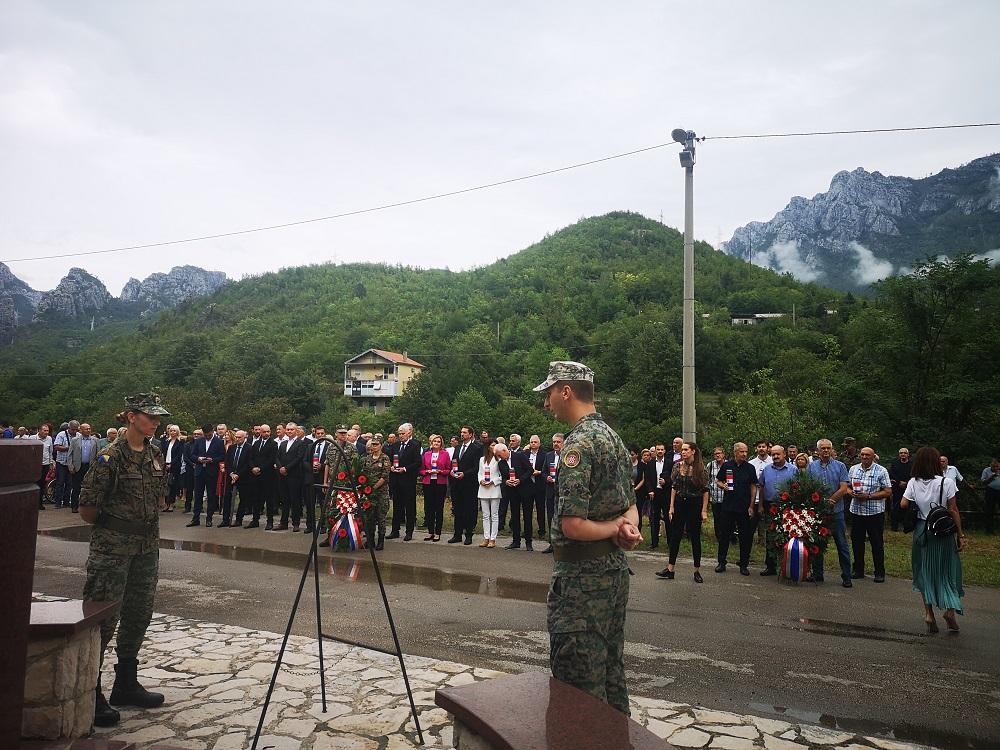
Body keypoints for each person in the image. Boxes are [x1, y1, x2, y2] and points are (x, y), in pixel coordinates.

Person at [535, 360, 640, 715]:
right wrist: (626, 527)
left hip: (582, 583)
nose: (547, 403)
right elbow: (632, 507)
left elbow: (573, 526)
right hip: (613, 576)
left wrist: (613, 529)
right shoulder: (614, 438)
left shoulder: (577, 446)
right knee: (611, 672)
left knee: (578, 684)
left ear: (566, 391)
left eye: (549, 393)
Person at [79, 392, 171, 728]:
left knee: (138, 613)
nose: (156, 422)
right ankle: (90, 690)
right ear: (131, 416)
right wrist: (120, 526)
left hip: (146, 546)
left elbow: (161, 498)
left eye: (158, 417)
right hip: (112, 549)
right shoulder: (109, 458)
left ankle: (125, 683)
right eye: (150, 416)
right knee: (103, 618)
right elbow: (88, 509)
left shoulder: (155, 453)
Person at [900, 446, 964, 633]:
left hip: (922, 529)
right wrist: (960, 535)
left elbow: (904, 503)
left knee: (923, 571)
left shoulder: (913, 481)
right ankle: (950, 611)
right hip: (942, 531)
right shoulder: (947, 482)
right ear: (937, 462)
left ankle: (929, 614)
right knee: (948, 570)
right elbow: (953, 509)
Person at [657, 441, 709, 582]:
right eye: (682, 450)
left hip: (695, 504)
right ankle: (670, 569)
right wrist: (671, 506)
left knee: (695, 537)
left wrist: (704, 511)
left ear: (693, 451)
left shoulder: (700, 469)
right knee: (675, 536)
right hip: (680, 503)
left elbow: (705, 491)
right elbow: (674, 487)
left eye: (686, 450)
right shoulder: (677, 466)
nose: (683, 452)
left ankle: (696, 570)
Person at [807, 438, 853, 587]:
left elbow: (844, 488)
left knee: (842, 544)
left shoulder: (840, 466)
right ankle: (818, 574)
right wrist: (820, 502)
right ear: (818, 451)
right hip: (819, 513)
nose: (826, 451)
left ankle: (846, 576)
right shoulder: (811, 467)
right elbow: (808, 487)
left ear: (832, 450)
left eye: (828, 448)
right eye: (823, 448)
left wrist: (831, 500)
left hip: (836, 512)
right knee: (817, 544)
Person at [847, 447, 892, 582]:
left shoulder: (881, 470)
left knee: (876, 543)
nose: (865, 457)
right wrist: (851, 493)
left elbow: (888, 491)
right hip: (856, 511)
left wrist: (869, 496)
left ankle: (879, 572)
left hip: (874, 513)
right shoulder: (853, 469)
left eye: (868, 455)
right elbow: (847, 486)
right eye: (862, 455)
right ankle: (858, 570)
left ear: (873, 457)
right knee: (857, 542)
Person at [714, 442, 758, 576]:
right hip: (728, 506)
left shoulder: (750, 467)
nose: (744, 454)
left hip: (744, 507)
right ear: (735, 452)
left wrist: (751, 506)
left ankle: (744, 564)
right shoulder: (727, 466)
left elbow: (753, 486)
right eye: (741, 452)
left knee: (745, 537)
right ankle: (721, 562)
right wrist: (723, 486)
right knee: (724, 535)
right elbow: (718, 480)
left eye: (746, 452)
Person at [757, 445, 797, 576]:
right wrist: (761, 505)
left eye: (777, 454)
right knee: (771, 536)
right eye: (773, 454)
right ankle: (770, 566)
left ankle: (786, 567)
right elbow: (761, 488)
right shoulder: (767, 469)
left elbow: (797, 489)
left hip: (787, 506)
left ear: (784, 454)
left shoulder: (793, 470)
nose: (775, 457)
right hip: (769, 506)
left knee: (787, 536)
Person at [450, 426, 483, 546]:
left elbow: (477, 466)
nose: (462, 434)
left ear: (471, 434)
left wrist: (465, 473)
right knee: (457, 509)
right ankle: (457, 534)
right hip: (457, 483)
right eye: (461, 432)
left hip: (469, 483)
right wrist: (452, 471)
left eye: (464, 432)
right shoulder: (458, 447)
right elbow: (454, 462)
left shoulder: (477, 448)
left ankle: (469, 534)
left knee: (469, 509)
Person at [388, 423, 421, 541]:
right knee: (397, 506)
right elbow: (390, 458)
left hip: (408, 480)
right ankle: (395, 530)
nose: (401, 436)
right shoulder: (395, 445)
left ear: (409, 433)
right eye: (399, 433)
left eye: (403, 433)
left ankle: (409, 531)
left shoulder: (414, 445)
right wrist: (391, 467)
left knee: (409, 506)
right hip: (396, 480)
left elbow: (417, 462)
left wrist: (405, 469)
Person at [361, 436, 392, 550]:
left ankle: (380, 541)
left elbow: (384, 476)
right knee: (370, 517)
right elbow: (363, 474)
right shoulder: (367, 458)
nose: (373, 446)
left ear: (381, 445)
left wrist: (373, 488)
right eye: (372, 444)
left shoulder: (385, 459)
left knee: (380, 517)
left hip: (380, 493)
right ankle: (370, 540)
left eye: (375, 444)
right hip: (369, 493)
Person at [419, 434, 451, 542]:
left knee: (438, 508)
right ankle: (430, 532)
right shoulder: (426, 454)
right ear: (431, 443)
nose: (436, 443)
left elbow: (448, 469)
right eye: (434, 441)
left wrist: (440, 471)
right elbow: (421, 470)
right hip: (428, 482)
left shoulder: (445, 454)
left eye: (438, 441)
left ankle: (438, 532)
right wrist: (427, 472)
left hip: (440, 483)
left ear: (441, 444)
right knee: (429, 508)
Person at [68, 423, 100, 513]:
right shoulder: (75, 440)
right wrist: (71, 466)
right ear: (81, 430)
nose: (88, 430)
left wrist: (96, 468)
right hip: (78, 466)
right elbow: (70, 454)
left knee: (90, 488)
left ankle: (88, 507)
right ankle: (74, 506)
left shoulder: (95, 440)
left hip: (90, 467)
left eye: (89, 428)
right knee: (76, 487)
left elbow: (98, 454)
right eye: (86, 429)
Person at [478, 441, 503, 547]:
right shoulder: (482, 459)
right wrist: (481, 481)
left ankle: (493, 539)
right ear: (488, 447)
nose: (493, 447)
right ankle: (486, 537)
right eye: (492, 445)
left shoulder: (500, 459)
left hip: (494, 489)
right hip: (483, 489)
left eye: (495, 445)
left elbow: (502, 475)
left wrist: (493, 481)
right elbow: (479, 473)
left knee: (494, 515)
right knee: (485, 515)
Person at [888, 448, 912, 532]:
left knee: (908, 507)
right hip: (897, 488)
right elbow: (891, 474)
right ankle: (894, 527)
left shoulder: (912, 464)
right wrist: (899, 482)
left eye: (905, 453)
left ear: (908, 454)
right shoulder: (895, 463)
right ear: (899, 454)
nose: (903, 454)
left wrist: (907, 483)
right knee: (895, 507)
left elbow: (914, 475)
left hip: (909, 488)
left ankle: (907, 526)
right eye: (901, 453)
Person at [707, 446, 727, 547]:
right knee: (717, 518)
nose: (718, 455)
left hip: (726, 497)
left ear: (723, 454)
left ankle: (727, 536)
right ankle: (718, 537)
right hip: (714, 497)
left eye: (719, 453)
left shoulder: (728, 465)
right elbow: (707, 480)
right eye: (716, 454)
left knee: (727, 519)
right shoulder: (710, 465)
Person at [161, 424, 183, 512]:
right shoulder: (167, 441)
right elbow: (163, 451)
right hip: (166, 464)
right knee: (166, 484)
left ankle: (172, 503)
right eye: (171, 430)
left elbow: (179, 455)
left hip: (175, 465)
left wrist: (172, 464)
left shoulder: (180, 442)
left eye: (174, 430)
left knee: (173, 484)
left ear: (177, 432)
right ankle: (166, 503)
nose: (172, 432)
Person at [981, 458, 1000, 534]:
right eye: (994, 467)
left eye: (997, 467)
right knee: (989, 510)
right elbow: (983, 482)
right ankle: (989, 530)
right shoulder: (986, 470)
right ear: (991, 466)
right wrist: (992, 477)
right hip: (990, 491)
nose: (996, 468)